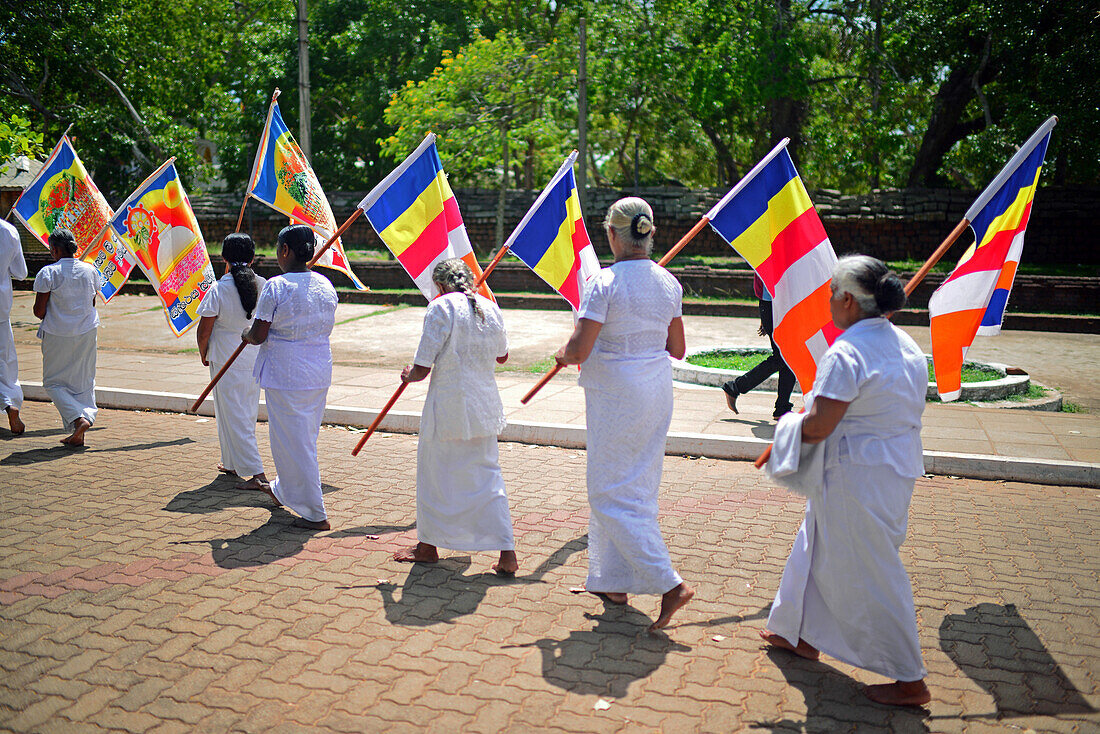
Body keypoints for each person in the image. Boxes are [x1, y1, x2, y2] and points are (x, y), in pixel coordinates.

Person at [759, 255, 931, 707]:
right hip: (886, 468)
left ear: (850, 301)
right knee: (813, 545)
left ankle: (910, 678)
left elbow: (819, 425)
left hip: (858, 474)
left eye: (833, 293)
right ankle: (797, 632)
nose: (829, 301)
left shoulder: (848, 350)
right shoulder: (906, 344)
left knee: (873, 571)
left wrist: (785, 429)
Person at [554, 196, 694, 633]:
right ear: (649, 232)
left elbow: (580, 349)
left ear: (613, 234)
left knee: (608, 492)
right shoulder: (669, 282)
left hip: (616, 394)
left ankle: (669, 583)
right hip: (655, 389)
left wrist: (560, 353)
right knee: (635, 485)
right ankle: (613, 581)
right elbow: (678, 349)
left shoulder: (602, 282)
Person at [395, 258, 517, 575]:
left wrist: (409, 374)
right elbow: (502, 356)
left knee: (435, 477)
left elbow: (421, 369)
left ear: (439, 285)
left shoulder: (441, 308)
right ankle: (507, 553)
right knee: (488, 477)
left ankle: (428, 546)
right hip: (484, 408)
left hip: (448, 408)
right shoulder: (489, 307)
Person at [243, 224, 338, 530]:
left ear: (285, 250)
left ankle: (314, 511)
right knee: (301, 438)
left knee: (294, 443)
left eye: (277, 249)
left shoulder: (276, 286)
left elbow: (258, 334)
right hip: (317, 370)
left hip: (288, 374)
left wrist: (246, 333)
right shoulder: (326, 284)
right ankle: (284, 490)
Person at [196, 233, 268, 490]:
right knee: (241, 412)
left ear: (223, 257)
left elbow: (204, 330)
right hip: (255, 356)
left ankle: (257, 473)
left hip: (226, 357)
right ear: (252, 257)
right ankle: (232, 462)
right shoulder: (265, 285)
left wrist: (203, 352)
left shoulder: (218, 289)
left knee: (233, 413)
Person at [32, 229, 101, 447]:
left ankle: (79, 420)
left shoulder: (48, 273)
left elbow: (39, 311)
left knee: (53, 383)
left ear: (55, 249)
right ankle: (82, 424)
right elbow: (92, 303)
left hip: (57, 334)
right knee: (84, 381)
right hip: (87, 331)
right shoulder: (90, 270)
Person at [722, 272, 795, 419]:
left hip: (779, 306)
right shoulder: (773, 250)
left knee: (789, 358)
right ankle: (735, 387)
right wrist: (766, 316)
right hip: (773, 306)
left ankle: (782, 407)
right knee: (783, 357)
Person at [0, 218, 28, 435]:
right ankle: (10, 402)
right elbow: (21, 272)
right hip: (1, 307)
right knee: (5, 361)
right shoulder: (9, 230)